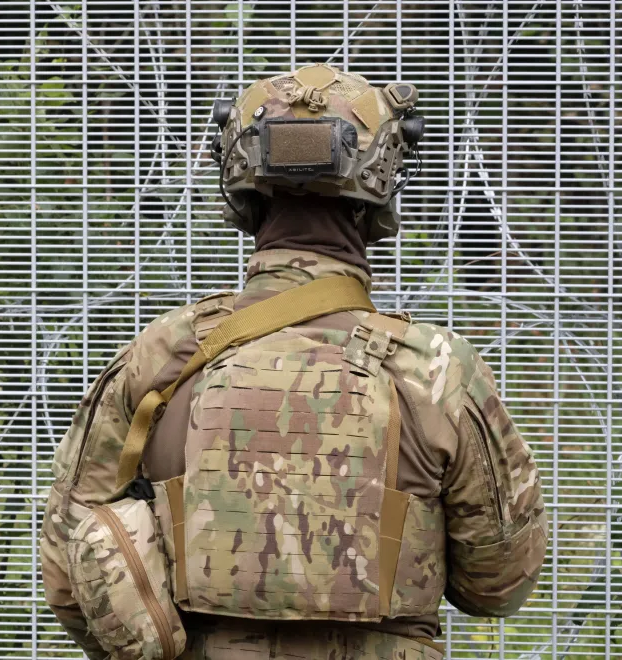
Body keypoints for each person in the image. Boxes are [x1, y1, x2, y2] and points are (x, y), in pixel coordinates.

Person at [40, 63, 547, 660]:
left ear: (242, 191)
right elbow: (500, 583)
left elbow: (72, 570)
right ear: (381, 190)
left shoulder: (164, 356)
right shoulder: (434, 371)